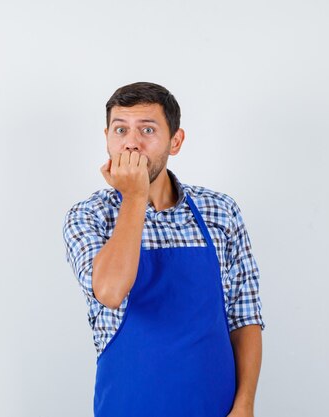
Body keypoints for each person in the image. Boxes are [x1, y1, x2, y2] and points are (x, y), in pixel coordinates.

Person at [62, 81, 265, 417]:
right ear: (107, 137)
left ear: (176, 141)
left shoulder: (220, 212)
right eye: (120, 129)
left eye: (147, 130)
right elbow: (110, 291)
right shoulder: (89, 216)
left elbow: (244, 316)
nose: (131, 143)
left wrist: (244, 405)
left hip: (215, 408)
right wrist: (135, 197)